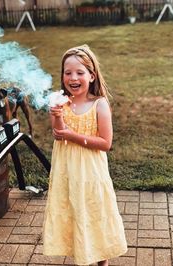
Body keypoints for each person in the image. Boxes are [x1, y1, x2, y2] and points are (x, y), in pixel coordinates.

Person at [43, 44, 127, 266]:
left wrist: (73, 135)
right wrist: (57, 114)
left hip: (91, 173)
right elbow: (59, 135)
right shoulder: (62, 102)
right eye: (68, 72)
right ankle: (83, 253)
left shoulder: (99, 105)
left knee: (94, 211)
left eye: (80, 72)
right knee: (75, 212)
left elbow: (106, 143)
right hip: (68, 171)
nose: (73, 77)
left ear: (91, 75)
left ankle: (102, 261)